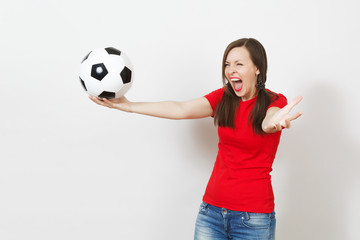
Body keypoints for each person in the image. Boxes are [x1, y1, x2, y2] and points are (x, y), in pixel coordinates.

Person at [89, 38, 302, 240]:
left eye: (239, 64)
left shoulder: (274, 101)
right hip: (211, 213)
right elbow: (180, 109)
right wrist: (129, 106)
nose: (231, 70)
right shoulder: (223, 98)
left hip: (253, 218)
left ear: (257, 68)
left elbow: (270, 119)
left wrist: (271, 123)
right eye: (227, 64)